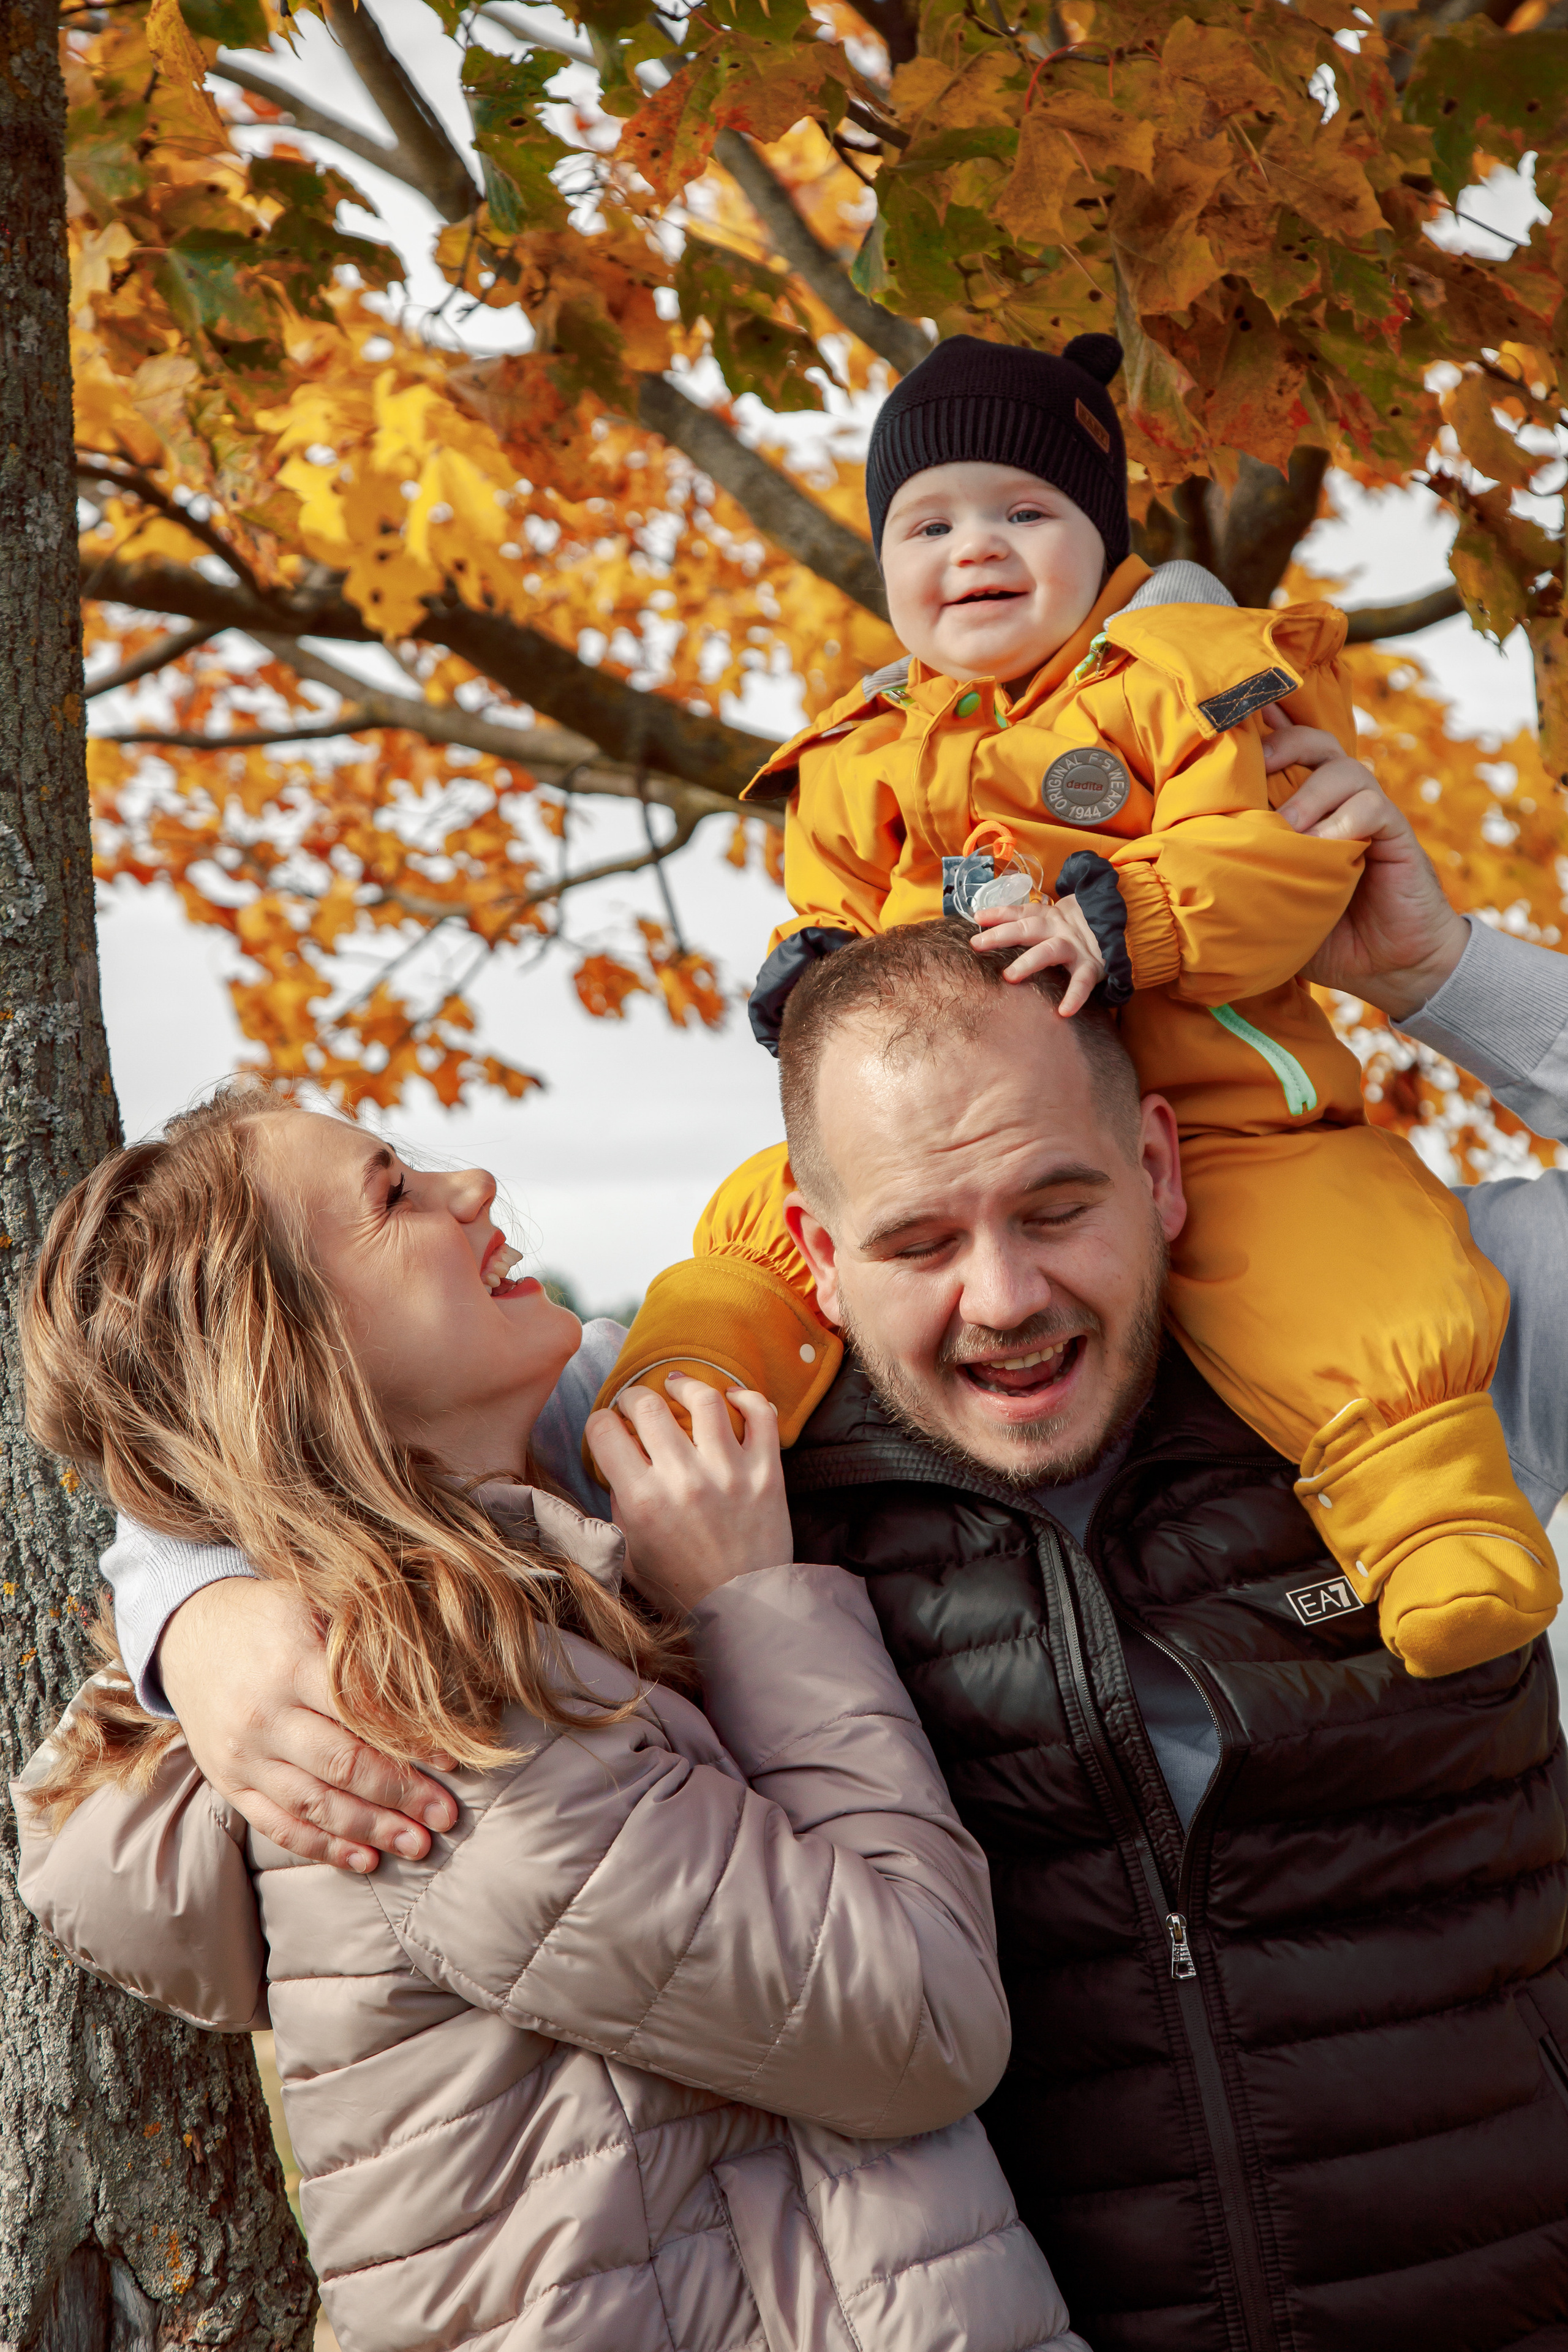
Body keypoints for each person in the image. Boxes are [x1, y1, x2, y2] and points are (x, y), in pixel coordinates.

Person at [11, 1091, 1085, 2352]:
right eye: (391, 1195)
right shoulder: (424, 1728)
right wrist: (752, 1603)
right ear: (293, 1353)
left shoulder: (511, 1600)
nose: (470, 1181)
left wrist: (180, 1606)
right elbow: (923, 2025)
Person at [597, 333, 1555, 1681]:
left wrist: (1419, 969)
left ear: (1100, 541)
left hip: (1230, 1119)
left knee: (1342, 1262)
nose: (973, 547)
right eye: (927, 523)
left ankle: (1427, 1505)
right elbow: (833, 909)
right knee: (761, 1216)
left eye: (1022, 512)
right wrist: (816, 973)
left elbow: (1269, 854)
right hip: (938, 1113)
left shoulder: (1178, 676)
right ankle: (700, 1389)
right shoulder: (865, 749)